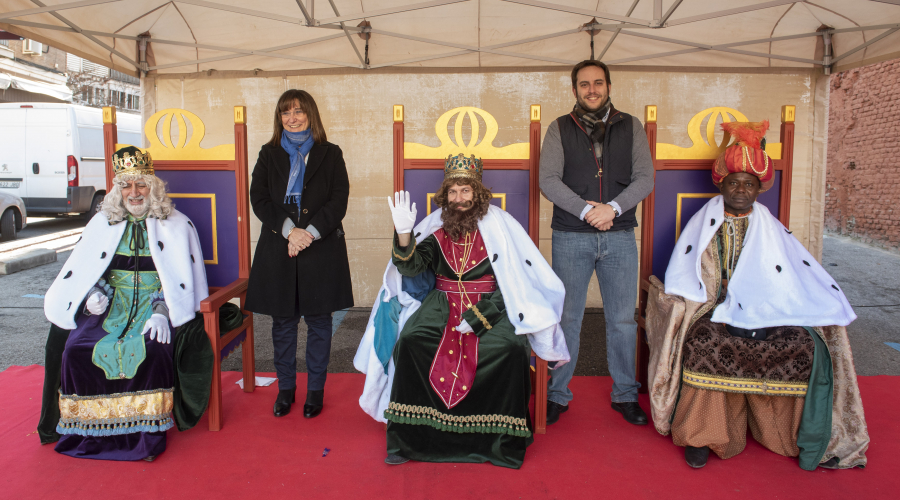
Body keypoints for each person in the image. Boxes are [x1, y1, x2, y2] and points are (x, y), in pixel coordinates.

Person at [646, 121, 869, 470]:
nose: (740, 190)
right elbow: (691, 273)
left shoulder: (769, 225)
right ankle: (702, 435)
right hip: (713, 306)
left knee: (803, 345)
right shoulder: (705, 221)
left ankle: (783, 434)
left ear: (758, 189)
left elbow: (792, 273)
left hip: (770, 307)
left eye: (748, 184)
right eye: (733, 183)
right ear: (722, 184)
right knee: (704, 342)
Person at [354, 154, 570, 469]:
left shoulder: (500, 226)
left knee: (509, 349)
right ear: (445, 194)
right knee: (410, 343)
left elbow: (514, 283)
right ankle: (408, 439)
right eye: (453, 192)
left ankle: (499, 442)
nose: (459, 199)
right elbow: (411, 265)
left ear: (477, 192)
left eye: (465, 191)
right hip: (440, 305)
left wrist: (482, 316)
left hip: (491, 306)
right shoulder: (436, 227)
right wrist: (404, 234)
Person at [41, 146, 210, 461]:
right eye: (126, 185)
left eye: (141, 184)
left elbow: (179, 280)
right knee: (77, 348)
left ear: (153, 186)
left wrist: (162, 313)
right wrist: (90, 293)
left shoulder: (177, 223)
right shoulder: (101, 223)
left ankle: (143, 437)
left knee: (153, 349)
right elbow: (84, 269)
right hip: (109, 306)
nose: (134, 192)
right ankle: (87, 435)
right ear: (117, 189)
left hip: (155, 305)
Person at [539, 60, 655, 426]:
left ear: (608, 86)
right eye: (584, 84)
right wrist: (588, 211)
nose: (592, 89)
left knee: (622, 320)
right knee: (567, 318)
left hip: (619, 236)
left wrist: (614, 209)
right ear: (574, 89)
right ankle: (557, 394)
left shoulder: (631, 125)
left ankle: (624, 394)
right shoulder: (559, 128)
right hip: (571, 237)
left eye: (598, 83)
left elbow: (645, 178)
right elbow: (549, 180)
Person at [245, 89, 353, 419]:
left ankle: (315, 391)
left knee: (321, 323)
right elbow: (259, 198)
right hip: (280, 247)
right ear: (279, 119)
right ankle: (286, 389)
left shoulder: (330, 153)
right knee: (283, 324)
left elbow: (339, 199)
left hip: (321, 249)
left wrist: (309, 233)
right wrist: (290, 230)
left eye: (298, 111)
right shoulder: (268, 153)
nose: (292, 118)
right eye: (285, 113)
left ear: (311, 114)